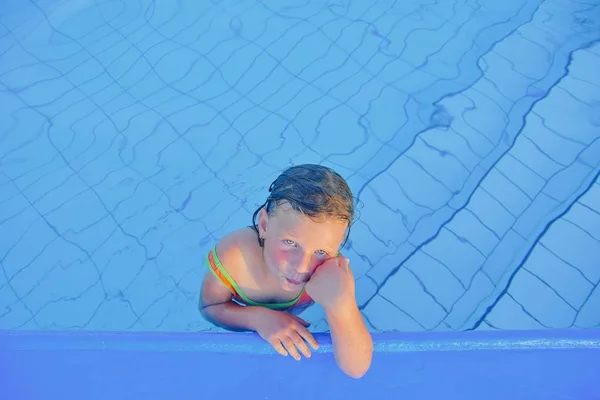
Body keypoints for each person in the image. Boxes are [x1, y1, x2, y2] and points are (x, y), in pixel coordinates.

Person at [199, 164, 373, 378]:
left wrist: (341, 305)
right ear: (264, 225)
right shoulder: (234, 258)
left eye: (321, 250)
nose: (301, 267)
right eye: (290, 242)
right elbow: (209, 306)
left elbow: (356, 369)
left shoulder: (331, 275)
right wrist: (257, 318)